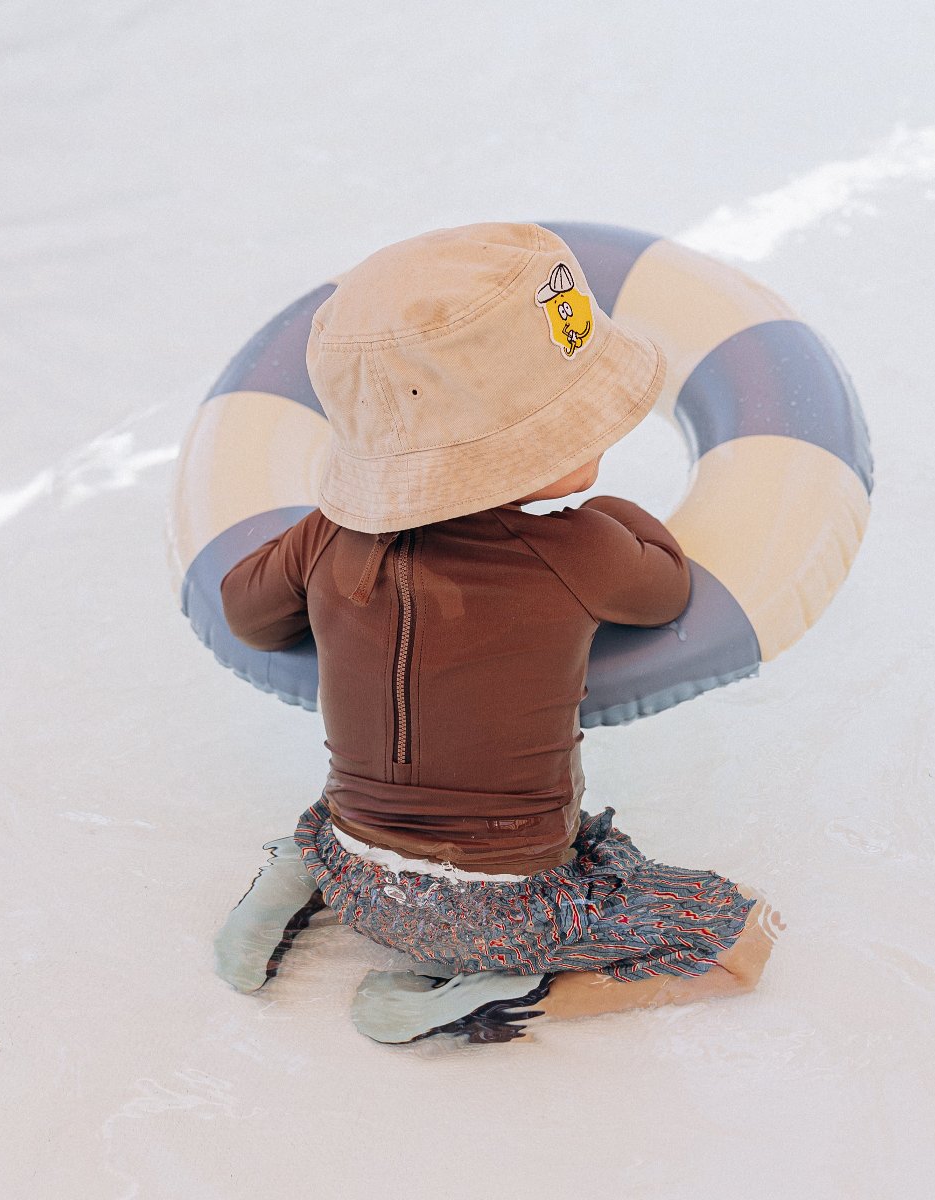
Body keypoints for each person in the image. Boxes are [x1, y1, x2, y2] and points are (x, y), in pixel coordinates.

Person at [213, 222, 781, 1043]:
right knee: (744, 942)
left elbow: (248, 616)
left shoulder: (324, 536)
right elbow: (667, 585)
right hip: (503, 913)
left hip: (349, 864)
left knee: (374, 803)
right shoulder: (579, 551)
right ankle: (494, 998)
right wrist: (609, 516)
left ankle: (292, 876)